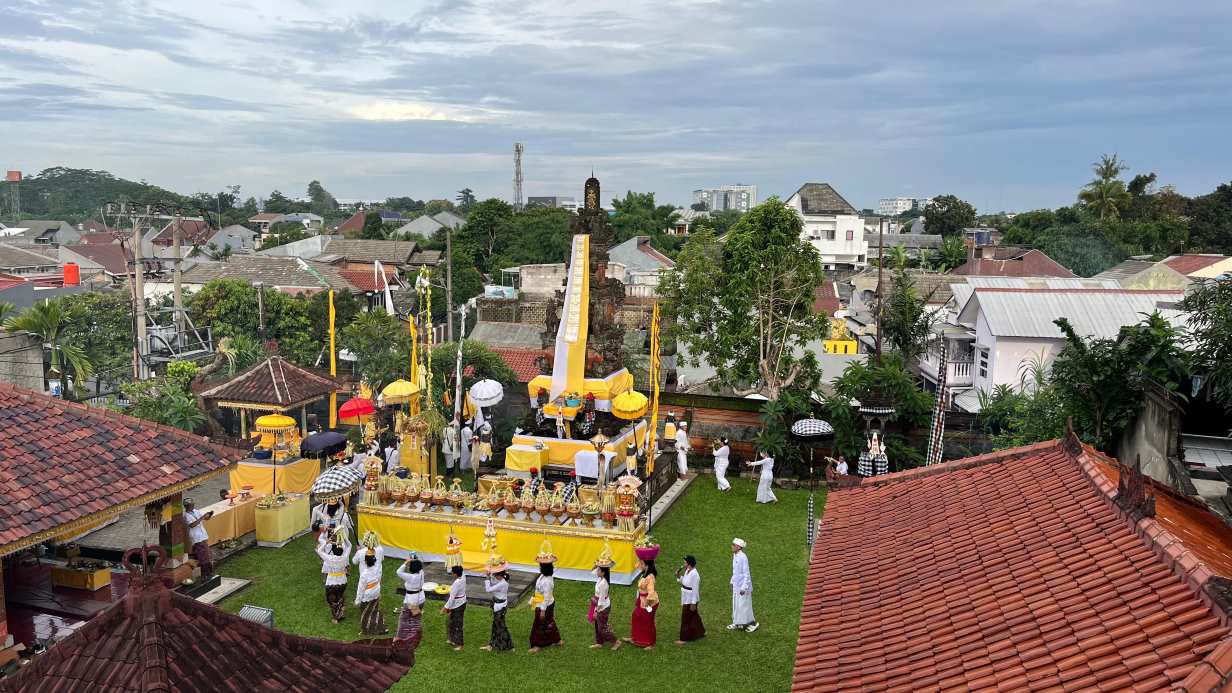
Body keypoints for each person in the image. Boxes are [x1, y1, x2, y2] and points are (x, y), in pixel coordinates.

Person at [528, 542, 562, 653]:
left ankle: (537, 644)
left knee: (539, 624)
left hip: (545, 604)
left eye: (540, 565)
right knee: (549, 622)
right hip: (542, 602)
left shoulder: (547, 581)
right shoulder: (544, 576)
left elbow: (546, 597)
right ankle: (556, 640)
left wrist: (542, 610)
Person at [352, 540, 388, 635]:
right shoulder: (377, 569)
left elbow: (361, 589)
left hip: (367, 593)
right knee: (376, 609)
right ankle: (382, 627)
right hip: (376, 590)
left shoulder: (364, 574)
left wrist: (357, 601)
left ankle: (366, 630)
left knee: (365, 613)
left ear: (365, 561)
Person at [590, 548, 621, 650]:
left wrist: (596, 611)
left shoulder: (604, 584)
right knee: (597, 625)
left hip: (602, 606)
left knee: (602, 627)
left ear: (603, 573)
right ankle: (599, 642)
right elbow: (592, 571)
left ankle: (616, 641)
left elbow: (602, 601)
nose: (596, 571)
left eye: (599, 569)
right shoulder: (601, 578)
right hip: (599, 603)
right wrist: (599, 562)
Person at [316, 534, 351, 623]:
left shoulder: (329, 558)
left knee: (332, 601)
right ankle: (341, 613)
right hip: (343, 581)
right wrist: (344, 537)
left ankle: (336, 617)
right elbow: (350, 545)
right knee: (340, 597)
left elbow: (319, 550)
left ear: (334, 551)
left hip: (331, 582)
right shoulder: (344, 557)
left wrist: (327, 542)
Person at [394, 553, 425, 651]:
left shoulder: (410, 577)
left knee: (403, 619)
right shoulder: (421, 573)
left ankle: (400, 637)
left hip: (411, 601)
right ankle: (416, 636)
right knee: (416, 618)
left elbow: (398, 572)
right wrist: (414, 559)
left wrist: (406, 562)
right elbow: (419, 566)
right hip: (421, 598)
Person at [628, 555, 660, 648]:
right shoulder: (644, 572)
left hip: (649, 602)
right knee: (636, 617)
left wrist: (648, 605)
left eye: (642, 563)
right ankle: (635, 638)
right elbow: (636, 565)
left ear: (647, 565)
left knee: (648, 621)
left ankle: (650, 643)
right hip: (641, 600)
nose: (640, 565)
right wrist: (639, 556)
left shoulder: (650, 577)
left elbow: (651, 592)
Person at [481, 566, 513, 652]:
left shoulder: (503, 583)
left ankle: (508, 646)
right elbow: (493, 580)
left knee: (501, 627)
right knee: (495, 626)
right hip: (498, 605)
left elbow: (488, 589)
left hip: (500, 607)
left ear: (500, 575)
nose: (494, 576)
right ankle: (491, 645)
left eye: (496, 575)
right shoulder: (500, 580)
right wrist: (490, 574)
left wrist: (487, 577)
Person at [728, 538, 758, 632]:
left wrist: (744, 587)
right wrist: (732, 581)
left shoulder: (743, 557)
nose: (732, 546)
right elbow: (735, 571)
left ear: (738, 547)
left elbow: (746, 574)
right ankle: (736, 622)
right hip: (736, 586)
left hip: (743, 587)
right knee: (736, 604)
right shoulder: (735, 555)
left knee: (745, 605)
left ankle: (753, 623)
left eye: (733, 545)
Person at [676, 555, 705, 644]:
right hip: (686, 596)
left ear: (689, 563)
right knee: (694, 616)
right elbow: (684, 582)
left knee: (686, 617)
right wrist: (678, 576)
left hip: (690, 599)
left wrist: (693, 603)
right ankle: (700, 631)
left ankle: (684, 638)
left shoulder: (695, 575)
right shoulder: (687, 571)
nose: (684, 563)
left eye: (685, 562)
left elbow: (695, 589)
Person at [183, 499, 214, 579]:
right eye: (191, 505)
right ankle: (206, 574)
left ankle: (207, 573)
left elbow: (205, 519)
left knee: (207, 555)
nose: (193, 506)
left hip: (203, 536)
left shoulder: (196, 511)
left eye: (193, 504)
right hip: (197, 538)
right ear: (187, 506)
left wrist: (209, 515)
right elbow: (192, 525)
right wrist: (202, 517)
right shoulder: (186, 516)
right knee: (204, 557)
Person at [440, 565, 467, 651]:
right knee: (450, 622)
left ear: (455, 574)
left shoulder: (457, 583)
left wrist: (445, 608)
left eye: (452, 572)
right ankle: (452, 639)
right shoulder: (463, 576)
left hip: (457, 605)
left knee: (457, 624)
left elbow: (452, 598)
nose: (451, 573)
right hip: (461, 602)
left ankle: (460, 644)